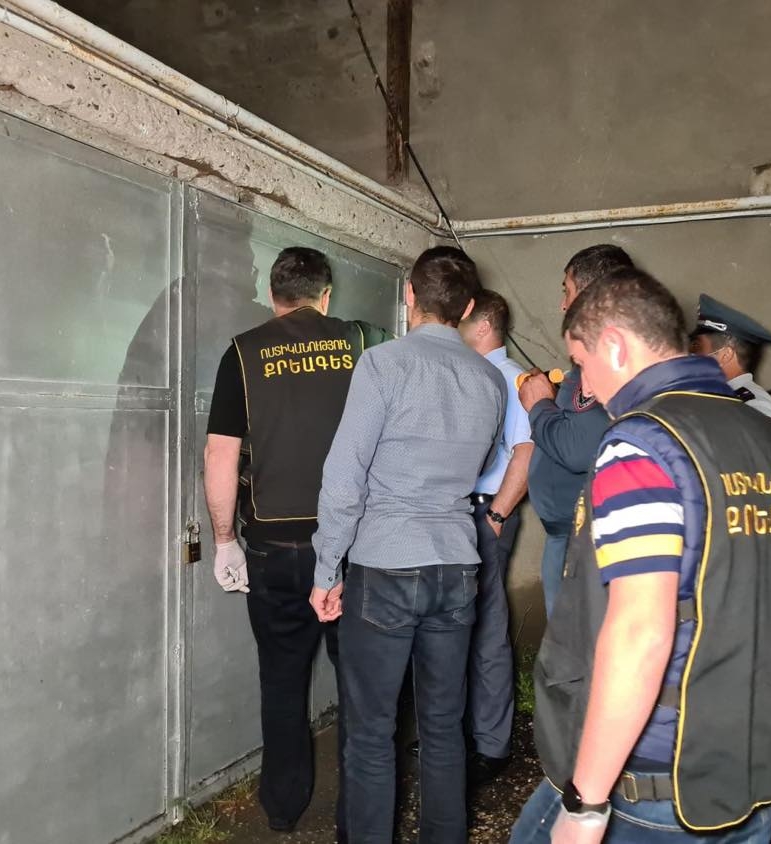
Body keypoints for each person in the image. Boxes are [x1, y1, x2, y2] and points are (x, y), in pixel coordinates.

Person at [511, 267, 771, 844]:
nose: (585, 383)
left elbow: (641, 631)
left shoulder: (643, 444)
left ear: (614, 345)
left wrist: (587, 806)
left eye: (581, 362)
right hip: (749, 768)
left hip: (652, 780)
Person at [310, 246, 505, 844]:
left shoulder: (382, 365)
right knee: (444, 728)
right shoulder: (490, 379)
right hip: (457, 566)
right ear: (467, 309)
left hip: (386, 566)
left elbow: (344, 479)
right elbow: (482, 464)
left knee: (372, 733)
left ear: (409, 296)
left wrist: (326, 569)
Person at [203, 246, 389, 837]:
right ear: (325, 296)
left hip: (274, 547)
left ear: (272, 295)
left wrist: (225, 539)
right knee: (359, 682)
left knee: (281, 680)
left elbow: (221, 453)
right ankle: (358, 817)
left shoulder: (243, 351)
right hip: (352, 547)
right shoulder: (362, 343)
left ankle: (284, 809)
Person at [518, 244, 636, 616]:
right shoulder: (590, 359)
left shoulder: (613, 360)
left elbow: (577, 449)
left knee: (581, 646)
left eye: (567, 291)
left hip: (587, 540)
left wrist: (539, 405)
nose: (563, 305)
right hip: (568, 536)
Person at [457, 289, 535, 785]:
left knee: (486, 628)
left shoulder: (510, 379)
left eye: (463, 320)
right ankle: (461, 733)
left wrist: (498, 515)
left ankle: (491, 743)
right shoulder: (473, 374)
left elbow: (527, 451)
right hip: (464, 513)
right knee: (456, 627)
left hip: (488, 512)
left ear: (483, 326)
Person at [688, 293, 771, 424]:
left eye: (697, 346)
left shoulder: (756, 407)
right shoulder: (712, 396)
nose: (690, 353)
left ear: (725, 355)